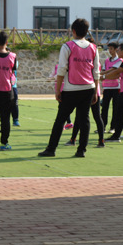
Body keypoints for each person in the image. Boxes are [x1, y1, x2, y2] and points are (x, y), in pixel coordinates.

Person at [38, 18, 99, 158]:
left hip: (71, 88)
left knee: (60, 119)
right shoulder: (93, 48)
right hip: (88, 87)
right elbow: (96, 72)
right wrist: (96, 91)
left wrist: (58, 90)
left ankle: (51, 149)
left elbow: (61, 69)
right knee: (84, 119)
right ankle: (81, 150)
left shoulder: (67, 46)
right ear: (87, 31)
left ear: (73, 31)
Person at [100, 42, 122, 132]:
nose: (110, 50)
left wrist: (101, 75)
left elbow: (114, 71)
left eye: (111, 49)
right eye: (109, 48)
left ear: (116, 49)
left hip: (116, 87)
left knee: (115, 108)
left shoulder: (120, 60)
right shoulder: (106, 61)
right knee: (104, 107)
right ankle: (102, 127)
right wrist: (101, 74)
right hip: (106, 87)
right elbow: (104, 70)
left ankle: (113, 127)